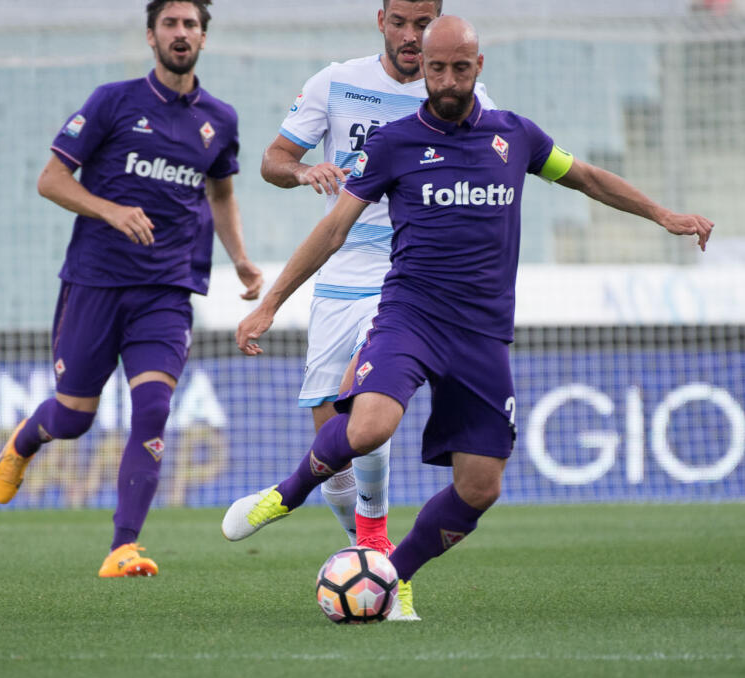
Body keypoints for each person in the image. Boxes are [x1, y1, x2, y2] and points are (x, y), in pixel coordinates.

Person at [222, 15, 713, 609]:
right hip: (409, 316)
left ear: (478, 68)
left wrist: (663, 215)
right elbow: (332, 231)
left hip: (481, 336)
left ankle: (393, 575)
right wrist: (270, 304)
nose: (448, 81)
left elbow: (585, 177)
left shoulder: (516, 136)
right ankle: (289, 493)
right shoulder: (395, 143)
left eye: (460, 68)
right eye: (437, 69)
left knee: (480, 487)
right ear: (422, 69)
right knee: (371, 425)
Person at [0, 0, 262, 578]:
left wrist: (240, 260)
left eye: (191, 25)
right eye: (171, 23)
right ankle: (25, 440)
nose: (181, 33)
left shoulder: (221, 119)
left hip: (166, 289)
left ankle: (123, 547)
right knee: (74, 418)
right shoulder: (113, 101)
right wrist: (110, 211)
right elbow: (52, 179)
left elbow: (222, 195)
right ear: (151, 35)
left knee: (155, 408)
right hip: (96, 282)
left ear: (204, 40)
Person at [260, 0, 492, 620]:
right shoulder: (334, 83)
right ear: (381, 20)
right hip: (340, 276)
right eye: (402, 23)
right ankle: (374, 558)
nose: (413, 37)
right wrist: (306, 170)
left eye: (424, 24)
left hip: (412, 278)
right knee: (331, 446)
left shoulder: (467, 93)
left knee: (363, 402)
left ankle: (377, 553)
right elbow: (271, 162)